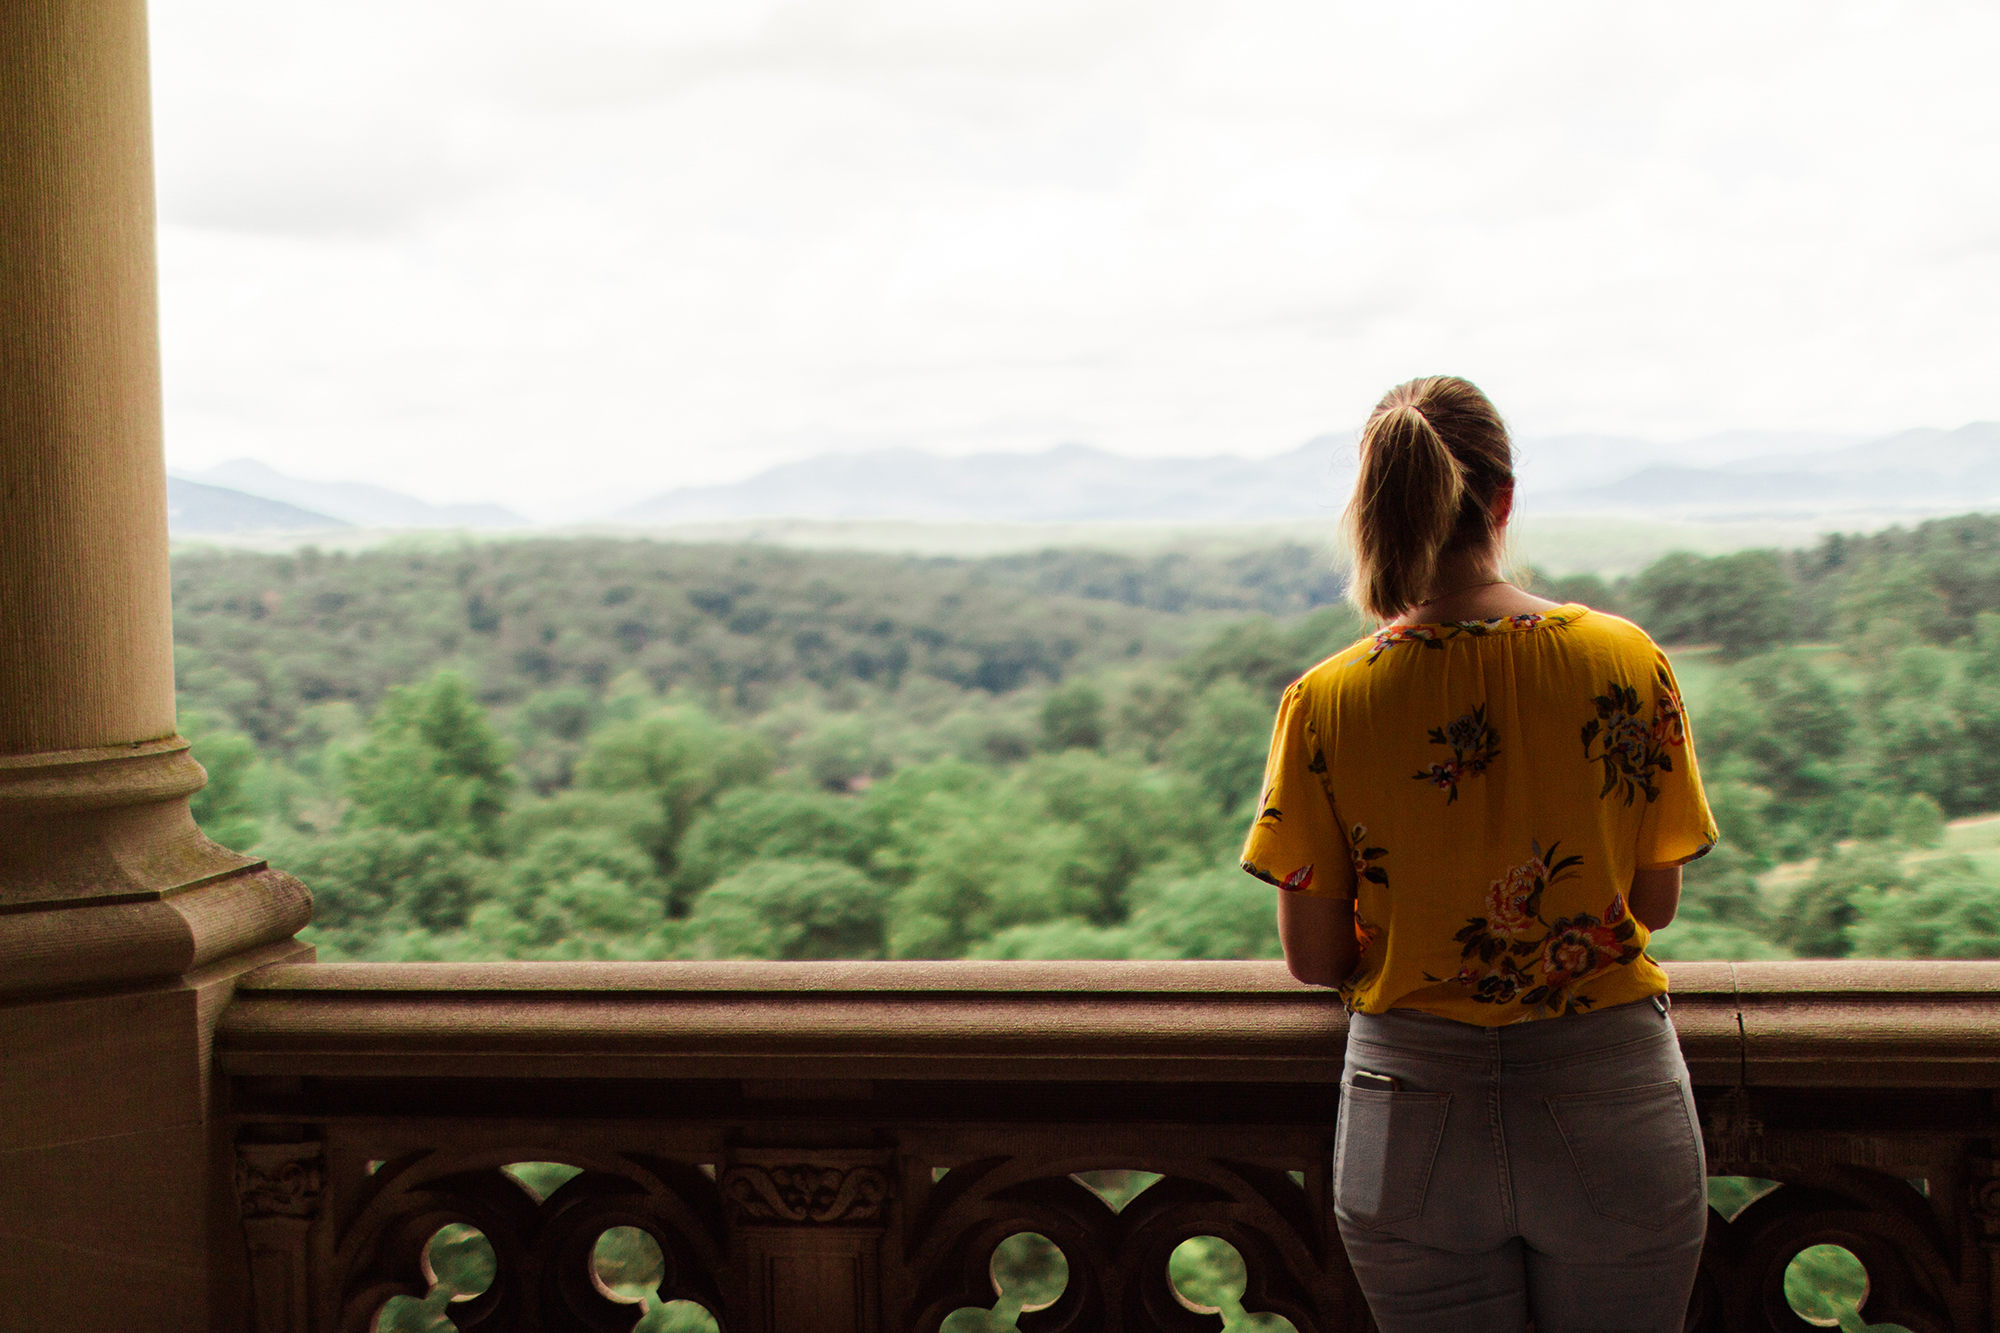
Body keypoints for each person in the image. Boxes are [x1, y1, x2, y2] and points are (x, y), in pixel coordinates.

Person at [1240, 375, 1718, 1333]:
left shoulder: (1327, 702)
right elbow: (1652, 900)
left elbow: (1314, 959)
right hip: (1611, 1093)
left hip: (1409, 1114)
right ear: (1502, 501)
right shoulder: (1622, 660)